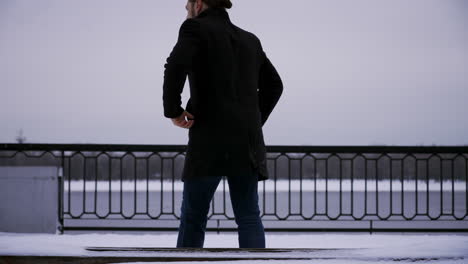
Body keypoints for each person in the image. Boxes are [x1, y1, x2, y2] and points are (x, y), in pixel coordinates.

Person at [162, 0, 283, 248]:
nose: (186, 12)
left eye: (187, 7)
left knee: (194, 217)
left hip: (208, 138)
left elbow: (174, 66)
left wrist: (174, 111)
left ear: (198, 4)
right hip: (247, 143)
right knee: (249, 216)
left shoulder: (193, 29)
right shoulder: (250, 40)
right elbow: (274, 85)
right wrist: (253, 121)